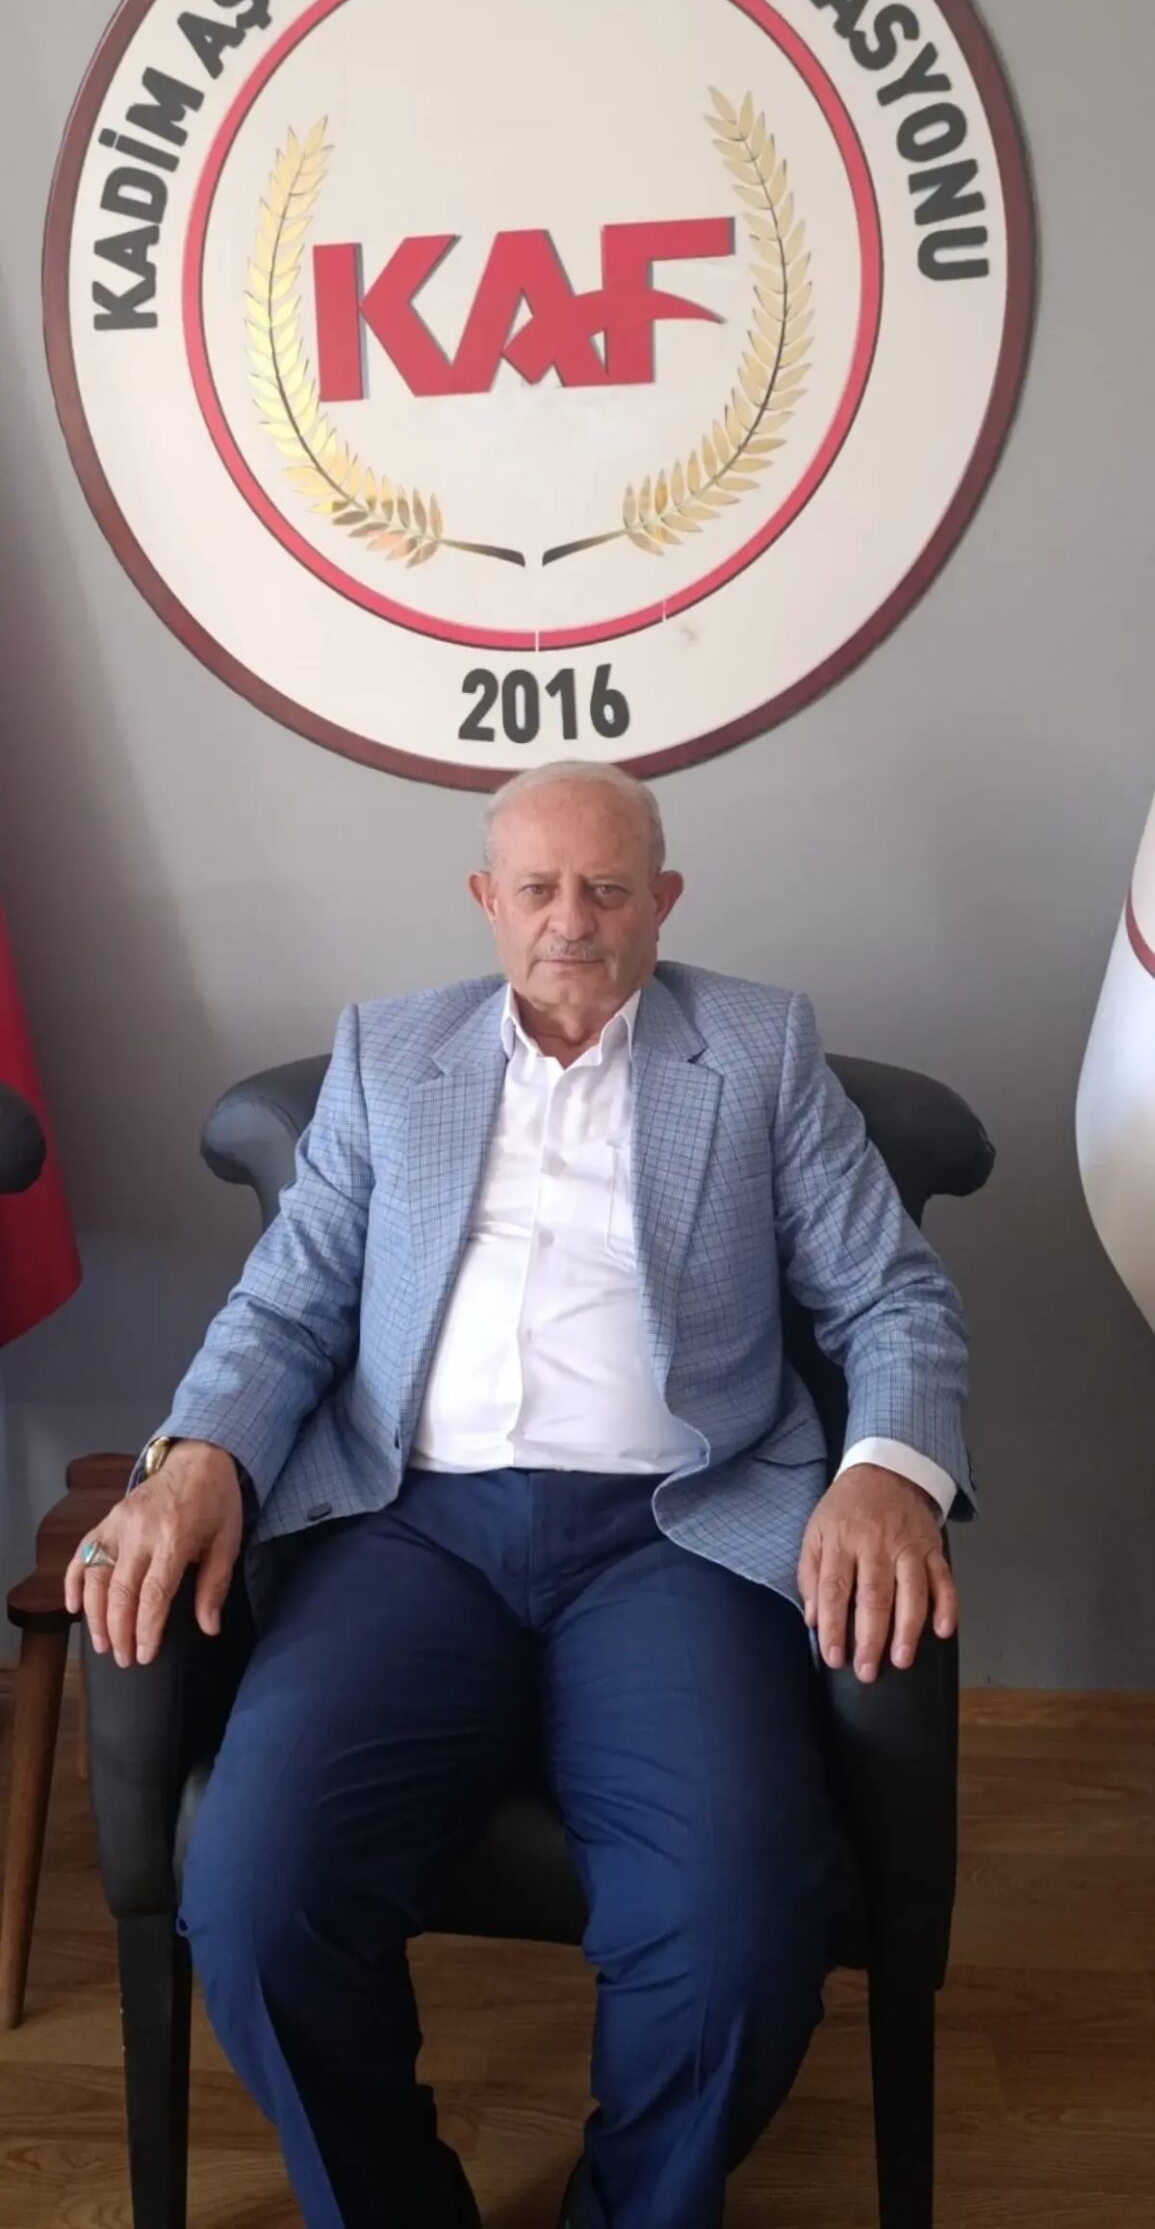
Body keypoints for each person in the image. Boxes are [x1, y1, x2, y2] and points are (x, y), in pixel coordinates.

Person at [68, 763, 971, 2229]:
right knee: (257, 1892)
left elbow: (894, 1299)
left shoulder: (758, 1048)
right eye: (539, 889)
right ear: (487, 901)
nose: (573, 921)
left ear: (662, 902)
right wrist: (198, 1458)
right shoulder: (390, 1054)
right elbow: (286, 1305)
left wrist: (886, 1474)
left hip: (674, 1538)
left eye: (608, 889)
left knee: (740, 1926)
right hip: (412, 1532)